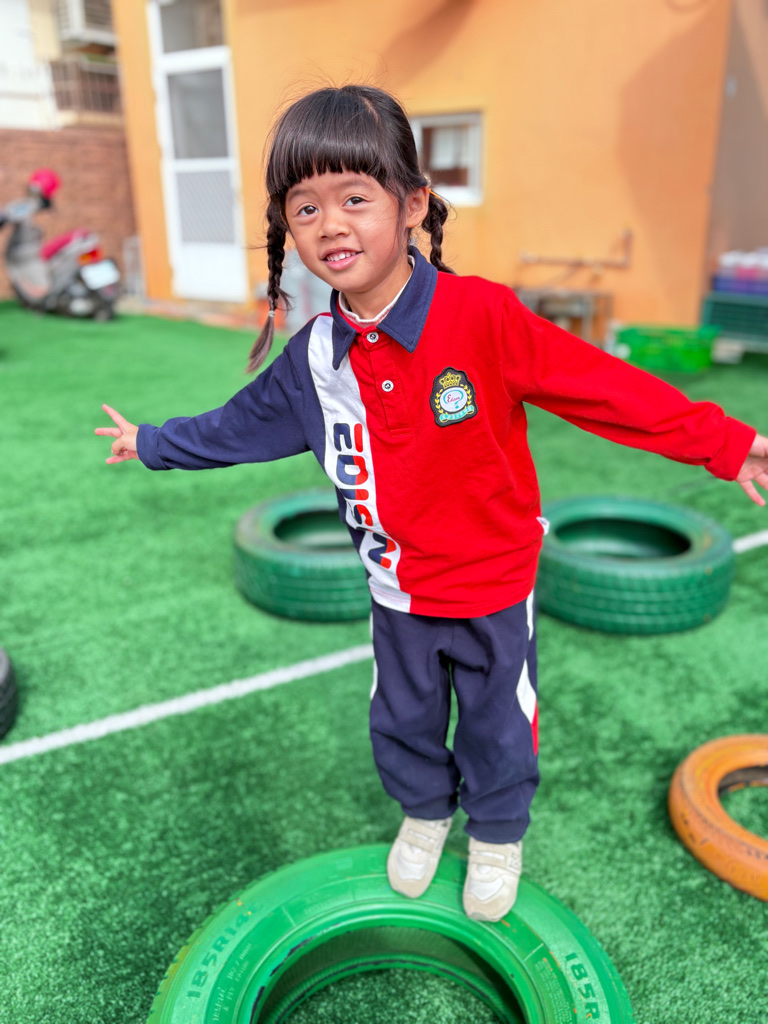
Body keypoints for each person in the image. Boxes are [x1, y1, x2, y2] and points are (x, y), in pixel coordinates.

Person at [96, 85, 768, 923]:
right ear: (287, 229)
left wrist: (725, 442)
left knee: (496, 726)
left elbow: (602, 387)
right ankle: (424, 813)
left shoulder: (481, 315)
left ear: (411, 204)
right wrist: (153, 441)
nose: (330, 224)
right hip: (397, 590)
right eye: (305, 208)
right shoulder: (315, 358)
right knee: (402, 721)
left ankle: (496, 834)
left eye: (354, 198)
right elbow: (237, 425)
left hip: (492, 586)